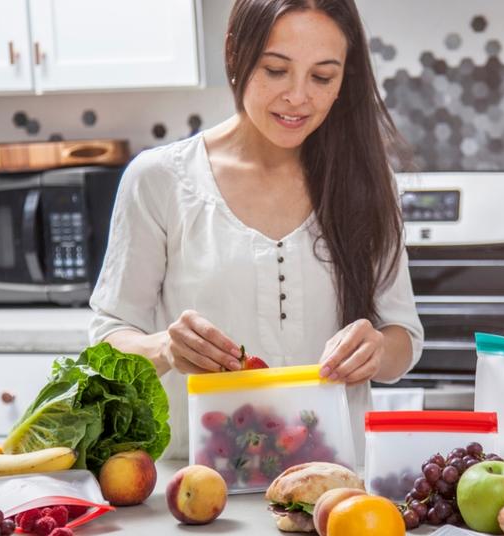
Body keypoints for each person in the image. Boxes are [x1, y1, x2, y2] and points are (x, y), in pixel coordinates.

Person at [88, 0, 423, 463]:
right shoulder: (160, 179)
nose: (298, 97)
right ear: (235, 54)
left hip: (334, 484)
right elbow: (107, 338)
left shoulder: (366, 180)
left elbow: (403, 337)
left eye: (322, 77)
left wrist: (378, 350)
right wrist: (164, 347)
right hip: (200, 485)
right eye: (276, 70)